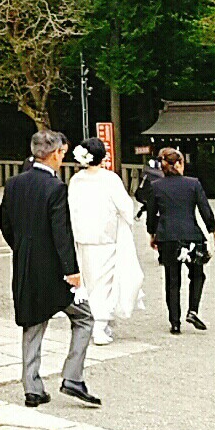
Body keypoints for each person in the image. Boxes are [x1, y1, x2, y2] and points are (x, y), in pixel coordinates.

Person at [0, 130, 101, 408]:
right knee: (84, 318)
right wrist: (72, 270)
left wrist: (20, 246)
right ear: (56, 154)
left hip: (24, 263)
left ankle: (32, 387)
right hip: (53, 268)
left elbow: (4, 221)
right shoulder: (55, 187)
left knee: (33, 322)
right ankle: (72, 376)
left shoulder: (14, 183)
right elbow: (61, 232)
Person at [67, 137, 144, 346]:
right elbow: (125, 206)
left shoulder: (76, 180)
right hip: (105, 238)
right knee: (104, 283)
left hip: (82, 237)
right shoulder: (110, 179)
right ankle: (99, 326)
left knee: (89, 281)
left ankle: (96, 321)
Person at [146, 146, 215, 335]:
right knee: (197, 274)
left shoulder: (156, 186)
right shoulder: (193, 184)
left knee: (172, 280)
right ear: (179, 163)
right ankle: (193, 310)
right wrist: (213, 231)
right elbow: (204, 209)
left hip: (167, 236)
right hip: (191, 236)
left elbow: (151, 214)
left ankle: (175, 323)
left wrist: (152, 234)